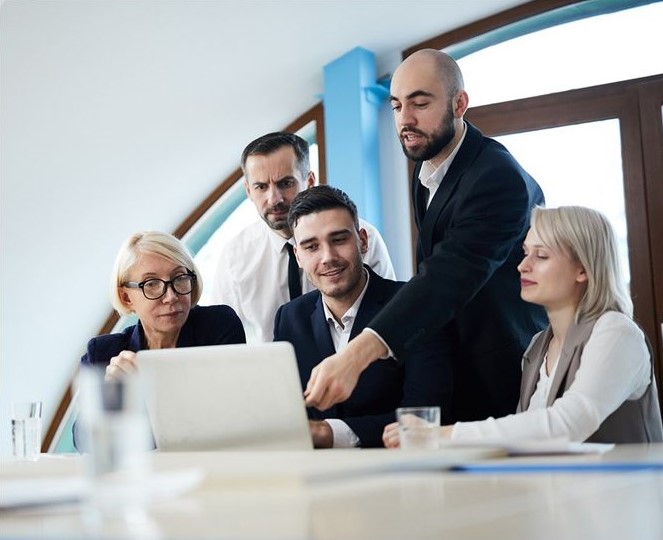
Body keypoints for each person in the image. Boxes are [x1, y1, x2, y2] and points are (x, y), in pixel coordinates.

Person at [304, 49, 548, 421]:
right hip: (454, 368)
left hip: (501, 376)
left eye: (420, 103)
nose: (406, 119)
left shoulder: (497, 177)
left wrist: (356, 353)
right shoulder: (429, 166)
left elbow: (448, 273)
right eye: (397, 106)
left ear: (459, 103)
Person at [383, 206, 663, 446]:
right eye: (525, 252)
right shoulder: (538, 346)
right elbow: (526, 434)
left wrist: (440, 435)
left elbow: (568, 424)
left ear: (583, 269)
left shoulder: (616, 332)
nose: (522, 266)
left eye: (541, 256)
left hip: (622, 503)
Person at [274, 186, 450, 448]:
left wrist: (328, 433)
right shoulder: (289, 317)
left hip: (400, 472)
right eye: (311, 247)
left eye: (338, 240)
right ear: (298, 256)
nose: (328, 258)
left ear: (363, 241)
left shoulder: (415, 305)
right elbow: (287, 412)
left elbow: (425, 416)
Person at [204, 132, 395, 343]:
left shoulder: (359, 239)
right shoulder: (235, 257)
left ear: (310, 180)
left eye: (285, 183)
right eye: (261, 187)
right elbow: (220, 340)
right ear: (248, 191)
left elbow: (388, 315)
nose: (274, 199)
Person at [73, 231, 245, 448]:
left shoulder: (217, 326)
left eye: (180, 278)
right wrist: (109, 398)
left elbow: (225, 419)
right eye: (151, 283)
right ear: (127, 297)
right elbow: (84, 442)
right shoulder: (104, 352)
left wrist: (142, 399)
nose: (171, 296)